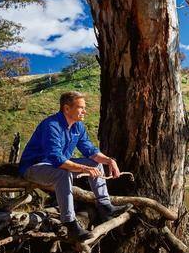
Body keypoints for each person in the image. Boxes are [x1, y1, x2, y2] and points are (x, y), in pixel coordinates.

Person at [19, 91, 132, 241]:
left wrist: (109, 160)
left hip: (56, 166)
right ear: (67, 109)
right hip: (34, 167)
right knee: (63, 174)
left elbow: (90, 151)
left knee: (95, 163)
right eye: (81, 107)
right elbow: (56, 159)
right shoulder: (51, 125)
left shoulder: (78, 127)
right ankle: (70, 224)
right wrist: (83, 169)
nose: (85, 111)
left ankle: (105, 207)